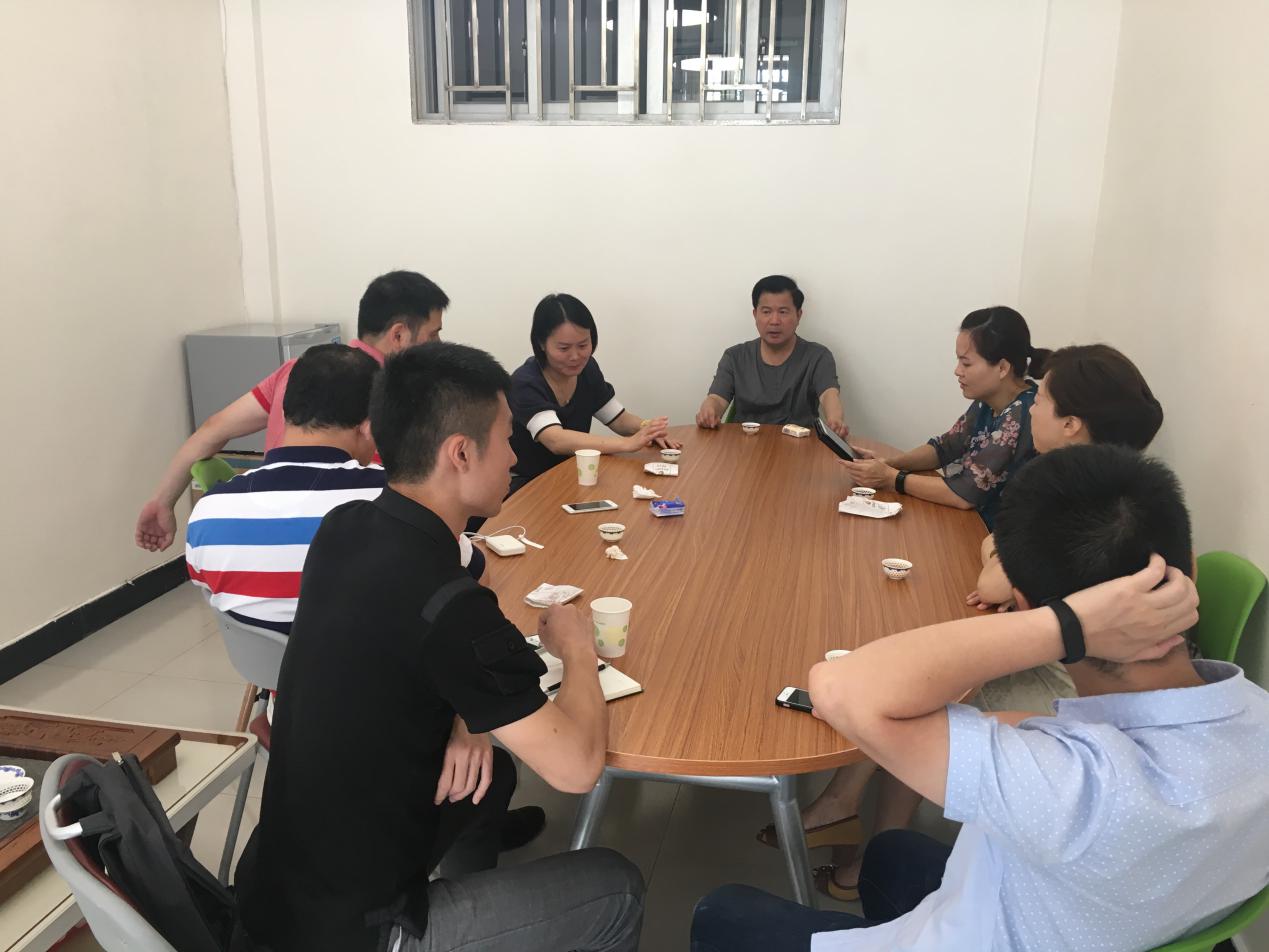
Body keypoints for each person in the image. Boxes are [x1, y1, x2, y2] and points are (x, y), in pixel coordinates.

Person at [694, 445, 1269, 952]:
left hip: (1002, 932)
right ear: (1188, 571)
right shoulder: (1256, 715)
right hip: (1096, 914)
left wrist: (1066, 624)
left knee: (721, 914)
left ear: (1024, 606)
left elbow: (839, 686)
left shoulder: (1072, 786)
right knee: (892, 854)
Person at [235, 342, 644, 952]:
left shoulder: (347, 528)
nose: (514, 455)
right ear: (460, 453)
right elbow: (577, 768)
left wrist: (464, 717)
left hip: (273, 890)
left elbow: (417, 648)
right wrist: (578, 649)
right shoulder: (450, 606)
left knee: (490, 774)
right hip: (354, 934)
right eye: (506, 438)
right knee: (618, 886)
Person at [768, 343, 1168, 900]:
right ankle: (848, 814)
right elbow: (996, 548)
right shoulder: (1129, 488)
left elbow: (995, 582)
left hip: (1082, 684)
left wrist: (1000, 560)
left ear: (1072, 424)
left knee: (922, 690)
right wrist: (1003, 560)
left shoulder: (1073, 496)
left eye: (1043, 400)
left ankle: (866, 854)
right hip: (1084, 658)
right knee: (923, 663)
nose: (1031, 405)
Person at [135, 270, 450, 552]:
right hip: (348, 554)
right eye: (433, 333)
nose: (439, 343)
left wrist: (162, 503)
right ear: (398, 335)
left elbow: (213, 429)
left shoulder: (297, 371)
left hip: (269, 546)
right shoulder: (395, 396)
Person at [184, 344, 485, 635]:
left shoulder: (208, 513)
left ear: (286, 412)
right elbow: (474, 570)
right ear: (369, 426)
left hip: (262, 668)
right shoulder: (401, 497)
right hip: (372, 667)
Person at [841, 305, 1047, 530]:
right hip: (970, 523)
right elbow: (945, 447)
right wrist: (888, 464)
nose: (957, 371)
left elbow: (965, 494)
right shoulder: (988, 401)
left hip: (996, 534)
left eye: (966, 363)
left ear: (1002, 367)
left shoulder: (1022, 413)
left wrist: (892, 478)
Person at [508, 293, 679, 493]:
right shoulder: (526, 382)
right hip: (528, 484)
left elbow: (618, 419)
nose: (575, 356)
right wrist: (628, 444)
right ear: (541, 343)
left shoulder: (587, 369)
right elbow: (556, 440)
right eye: (564, 348)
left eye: (583, 345)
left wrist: (647, 429)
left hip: (574, 474)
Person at [696, 275, 849, 435]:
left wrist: (835, 420)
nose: (774, 321)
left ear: (798, 315)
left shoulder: (818, 356)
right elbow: (717, 399)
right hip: (744, 444)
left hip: (800, 445)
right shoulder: (735, 357)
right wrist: (709, 410)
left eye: (783, 312)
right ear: (755, 314)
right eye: (766, 312)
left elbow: (829, 394)